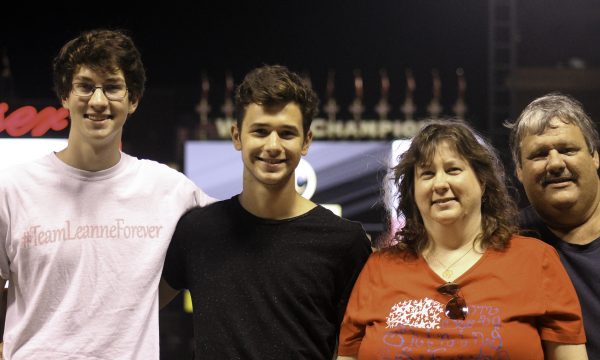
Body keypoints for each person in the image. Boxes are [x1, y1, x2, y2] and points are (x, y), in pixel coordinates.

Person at [0, 29, 213, 359]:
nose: (98, 101)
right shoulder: (12, 190)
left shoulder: (170, 190)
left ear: (133, 100)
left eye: (112, 87)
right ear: (65, 96)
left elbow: (238, 236)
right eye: (85, 86)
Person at [160, 65, 372, 359]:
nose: (273, 146)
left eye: (286, 133)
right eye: (260, 131)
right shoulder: (198, 231)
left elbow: (361, 344)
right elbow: (132, 311)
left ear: (306, 141)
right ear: (237, 136)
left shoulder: (345, 242)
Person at [337, 120, 587, 359]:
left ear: (482, 182)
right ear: (413, 193)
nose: (440, 184)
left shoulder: (537, 260)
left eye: (453, 169)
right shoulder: (378, 268)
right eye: (427, 174)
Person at [507, 93, 600, 359]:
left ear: (595, 157)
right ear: (519, 171)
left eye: (568, 150)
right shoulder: (503, 241)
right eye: (539, 155)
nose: (556, 164)